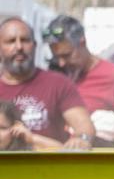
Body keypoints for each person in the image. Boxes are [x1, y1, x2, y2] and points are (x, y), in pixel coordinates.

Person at [0, 16, 93, 148]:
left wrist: (81, 140)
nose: (19, 46)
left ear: (35, 45)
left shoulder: (58, 84)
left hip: (51, 165)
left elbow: (84, 129)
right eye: (10, 41)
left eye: (25, 40)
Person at [42, 16, 114, 146]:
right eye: (56, 57)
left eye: (66, 55)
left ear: (82, 42)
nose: (61, 63)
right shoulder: (54, 76)